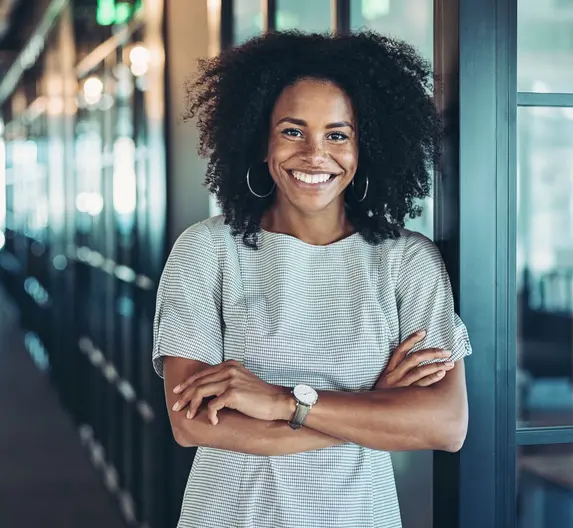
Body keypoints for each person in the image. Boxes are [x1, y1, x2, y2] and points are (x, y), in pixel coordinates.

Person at [152, 30, 472, 528]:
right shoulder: (206, 250)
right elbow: (190, 424)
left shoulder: (407, 262)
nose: (315, 155)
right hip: (230, 514)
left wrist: (280, 402)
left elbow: (446, 424)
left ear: (366, 146)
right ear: (261, 138)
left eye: (337, 134)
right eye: (293, 131)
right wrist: (373, 411)